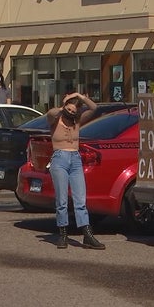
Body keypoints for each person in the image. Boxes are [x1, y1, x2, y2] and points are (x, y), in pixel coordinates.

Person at [46, 92, 105, 250]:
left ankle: (87, 235)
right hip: (59, 159)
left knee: (80, 200)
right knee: (62, 200)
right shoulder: (55, 119)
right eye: (69, 110)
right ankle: (63, 234)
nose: (70, 113)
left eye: (73, 111)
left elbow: (94, 108)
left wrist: (80, 96)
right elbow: (51, 113)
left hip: (75, 159)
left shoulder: (77, 121)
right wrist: (64, 103)